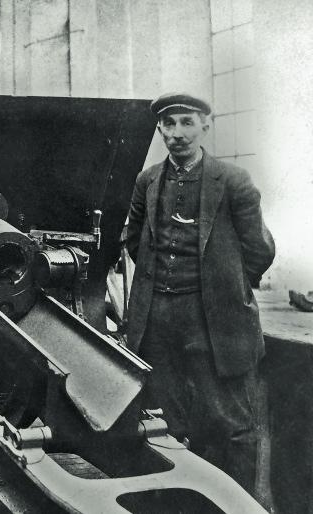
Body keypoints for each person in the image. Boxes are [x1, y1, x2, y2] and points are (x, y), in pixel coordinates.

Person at [125, 93, 275, 496]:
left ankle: (238, 503)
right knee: (167, 424)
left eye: (187, 122)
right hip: (157, 320)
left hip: (215, 323)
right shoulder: (147, 181)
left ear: (206, 126)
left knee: (232, 424)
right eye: (169, 124)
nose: (178, 133)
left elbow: (259, 249)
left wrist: (225, 288)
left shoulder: (233, 181)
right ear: (159, 129)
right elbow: (136, 241)